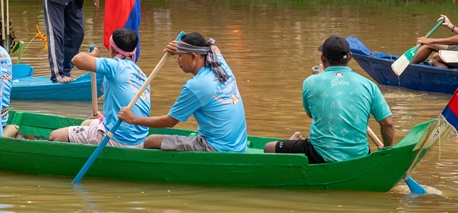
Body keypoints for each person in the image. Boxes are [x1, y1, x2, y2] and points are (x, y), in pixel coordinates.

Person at [263, 35, 394, 164]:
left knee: (267, 147)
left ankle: (292, 144)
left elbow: (310, 114)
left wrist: (320, 77)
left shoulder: (310, 82)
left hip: (320, 154)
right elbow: (388, 124)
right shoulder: (369, 85)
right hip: (360, 155)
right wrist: (387, 150)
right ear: (350, 56)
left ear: (323, 58)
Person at [117, 32, 247, 153]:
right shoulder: (220, 64)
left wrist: (133, 119)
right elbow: (214, 48)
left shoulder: (196, 86)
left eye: (180, 56)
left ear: (193, 56)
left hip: (217, 147)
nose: (177, 60)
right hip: (239, 144)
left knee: (151, 140)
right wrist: (180, 48)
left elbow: (169, 122)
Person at [49, 28, 151, 148]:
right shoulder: (140, 73)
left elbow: (77, 60)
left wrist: (93, 55)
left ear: (111, 48)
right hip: (139, 138)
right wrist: (104, 117)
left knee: (55, 136)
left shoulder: (114, 66)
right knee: (86, 123)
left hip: (117, 138)